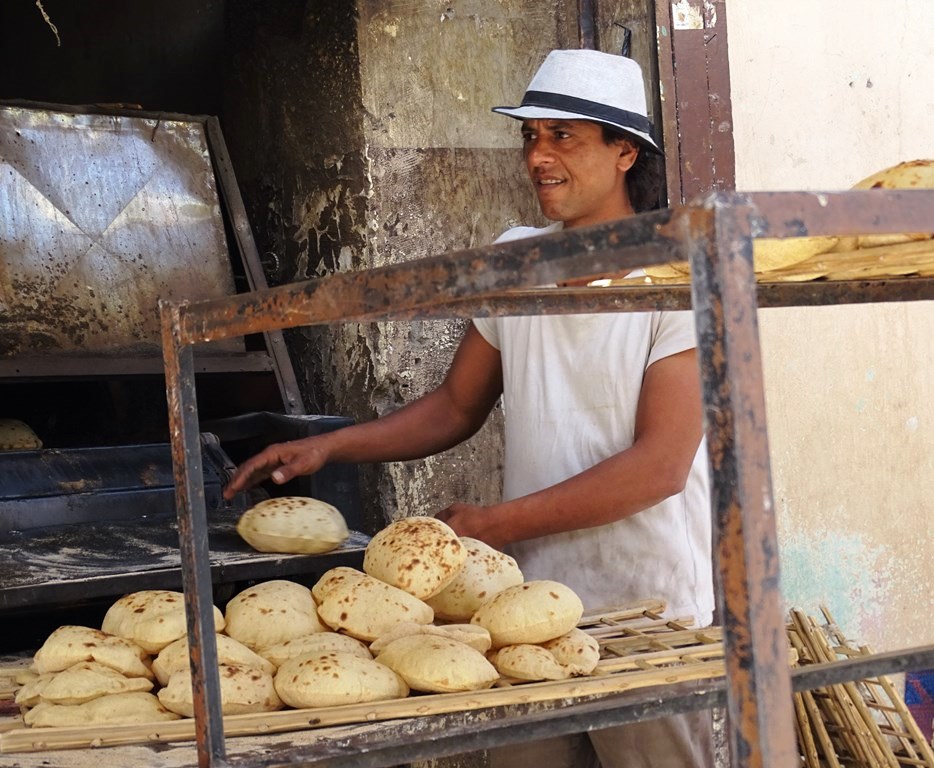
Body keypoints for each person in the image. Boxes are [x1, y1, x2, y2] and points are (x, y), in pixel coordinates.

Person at [224, 48, 714, 768]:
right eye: (531, 137)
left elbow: (660, 466)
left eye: (564, 137)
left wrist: (492, 523)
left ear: (625, 153)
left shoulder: (678, 273)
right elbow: (458, 405)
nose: (539, 157)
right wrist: (331, 446)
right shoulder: (516, 258)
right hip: (519, 612)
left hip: (643, 608)